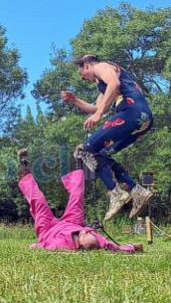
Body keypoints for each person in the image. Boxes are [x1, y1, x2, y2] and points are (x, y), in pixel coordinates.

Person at [64, 54, 154, 220]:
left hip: (132, 113)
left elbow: (114, 84)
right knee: (102, 154)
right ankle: (136, 190)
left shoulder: (100, 67)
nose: (83, 78)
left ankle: (116, 193)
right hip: (143, 119)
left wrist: (98, 115)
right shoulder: (104, 84)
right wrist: (75, 100)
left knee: (87, 150)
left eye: (81, 73)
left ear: (86, 65)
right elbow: (96, 107)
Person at [17, 148, 142, 252]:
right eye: (89, 233)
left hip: (49, 229)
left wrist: (34, 246)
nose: (87, 232)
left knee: (38, 200)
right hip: (74, 223)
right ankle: (78, 161)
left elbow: (43, 246)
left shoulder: (62, 245)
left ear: (79, 243)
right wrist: (133, 247)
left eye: (85, 235)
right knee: (78, 196)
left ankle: (24, 166)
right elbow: (116, 247)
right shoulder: (95, 238)